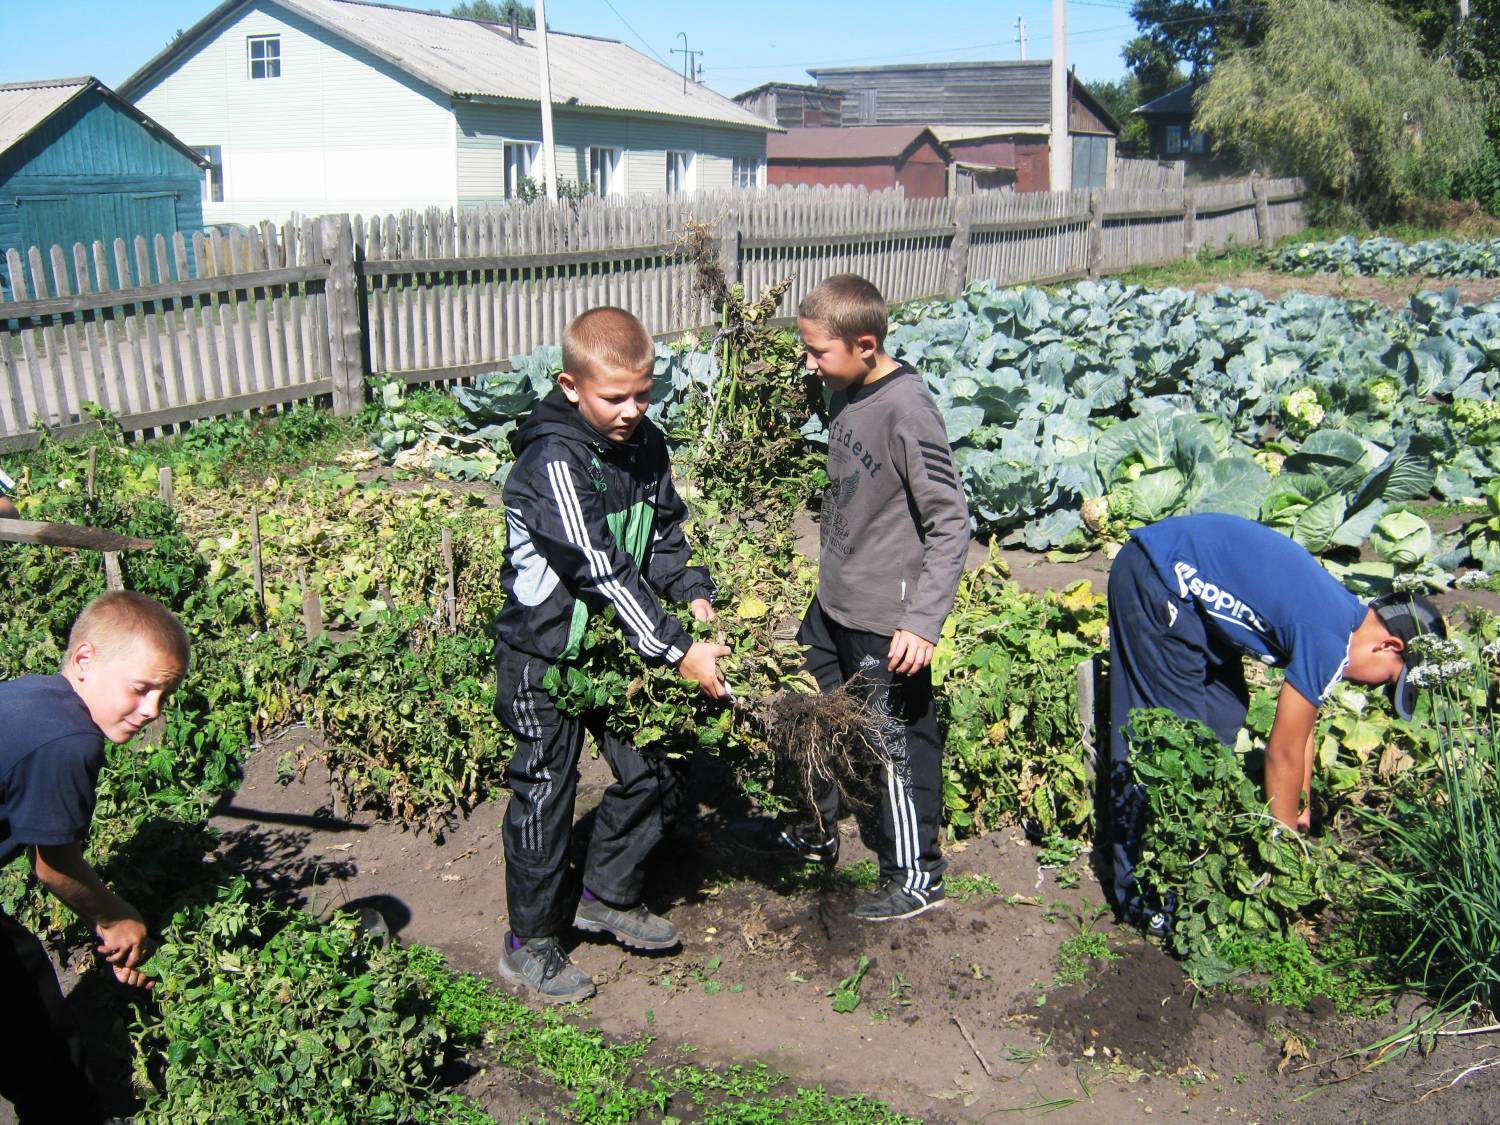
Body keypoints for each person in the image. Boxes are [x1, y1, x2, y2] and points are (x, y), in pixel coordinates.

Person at [492, 306, 730, 1003]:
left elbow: (662, 536)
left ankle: (606, 891)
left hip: (612, 651)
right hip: (544, 658)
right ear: (571, 386)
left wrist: (691, 592)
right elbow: (597, 565)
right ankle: (530, 942)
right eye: (615, 397)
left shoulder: (644, 446)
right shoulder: (551, 463)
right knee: (544, 792)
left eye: (643, 394)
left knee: (656, 768)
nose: (632, 410)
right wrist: (678, 648)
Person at [734, 273, 971, 921]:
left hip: (883, 618)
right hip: (832, 604)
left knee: (891, 743)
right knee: (821, 723)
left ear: (866, 344)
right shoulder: (847, 386)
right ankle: (818, 831)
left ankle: (916, 871)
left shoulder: (908, 410)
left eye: (818, 353)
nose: (808, 363)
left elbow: (951, 521)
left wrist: (922, 621)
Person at [1106, 511, 1445, 934]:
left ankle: (1189, 855)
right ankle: (1142, 898)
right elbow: (1281, 752)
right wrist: (1282, 847)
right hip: (1156, 577)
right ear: (1388, 645)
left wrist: (1299, 806)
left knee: (1223, 713)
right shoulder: (1328, 637)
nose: (1378, 689)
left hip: (1188, 596)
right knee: (1167, 745)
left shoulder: (1340, 618)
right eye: (1388, 683)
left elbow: (1300, 730)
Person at [0, 591, 189, 1124]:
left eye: (165, 695)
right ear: (84, 661)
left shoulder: (33, 697)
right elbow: (51, 864)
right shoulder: (68, 740)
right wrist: (115, 916)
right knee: (37, 1037)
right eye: (142, 688)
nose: (152, 710)